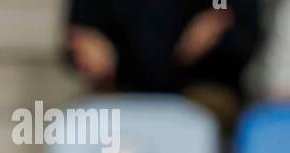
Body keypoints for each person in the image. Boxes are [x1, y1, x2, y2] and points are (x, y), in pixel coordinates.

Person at [67, 0, 261, 129]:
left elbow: (228, 12)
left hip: (200, 86)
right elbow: (81, 30)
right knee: (87, 120)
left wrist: (219, 20)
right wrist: (88, 44)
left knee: (202, 117)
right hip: (124, 87)